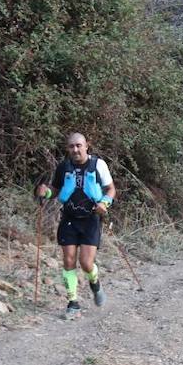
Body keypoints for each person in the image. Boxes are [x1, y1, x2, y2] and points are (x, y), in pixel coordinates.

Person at [36, 132, 116, 319]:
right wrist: (45, 192)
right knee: (69, 260)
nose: (75, 149)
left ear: (86, 146)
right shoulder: (64, 167)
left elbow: (111, 189)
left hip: (90, 219)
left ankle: (95, 284)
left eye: (79, 145)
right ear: (68, 149)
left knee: (87, 263)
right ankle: (73, 303)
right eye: (71, 146)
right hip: (69, 219)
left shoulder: (98, 165)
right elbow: (55, 191)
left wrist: (105, 203)